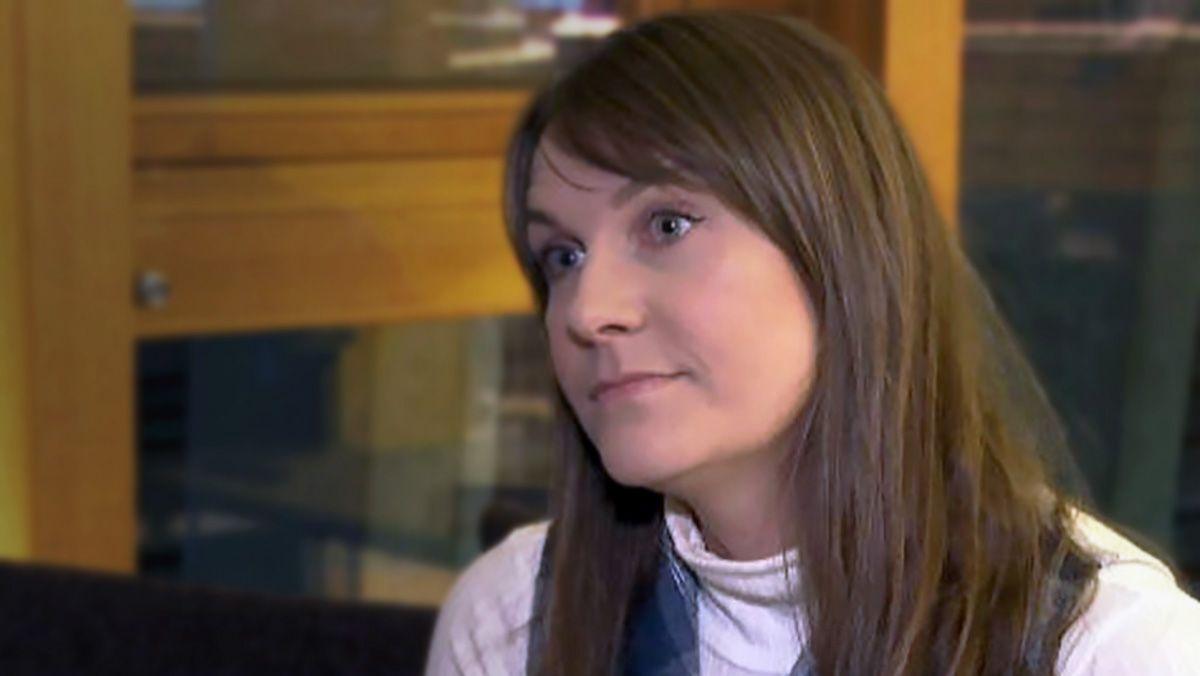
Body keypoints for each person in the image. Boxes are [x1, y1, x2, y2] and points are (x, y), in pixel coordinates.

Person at [424, 11, 1200, 675]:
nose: (587, 311)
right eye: (563, 256)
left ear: (842, 250)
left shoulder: (1112, 648)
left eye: (666, 226)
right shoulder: (511, 618)